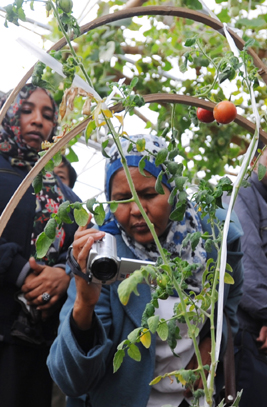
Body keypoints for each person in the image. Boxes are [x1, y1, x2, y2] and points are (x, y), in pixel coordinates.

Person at [47, 134, 244, 407]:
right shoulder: (102, 257)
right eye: (122, 199)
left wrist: (210, 346)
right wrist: (84, 304)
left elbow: (229, 300)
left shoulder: (212, 242)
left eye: (149, 194)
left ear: (174, 192)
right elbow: (72, 381)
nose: (137, 210)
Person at [0, 84, 80, 407]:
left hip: (35, 350)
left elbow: (87, 246)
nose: (38, 121)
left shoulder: (66, 196)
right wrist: (21, 271)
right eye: (27, 110)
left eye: (48, 114)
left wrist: (66, 276)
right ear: (5, 113)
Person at [223, 132, 267, 407]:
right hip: (247, 331)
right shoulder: (241, 194)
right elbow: (245, 257)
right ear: (253, 161)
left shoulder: (256, 202)